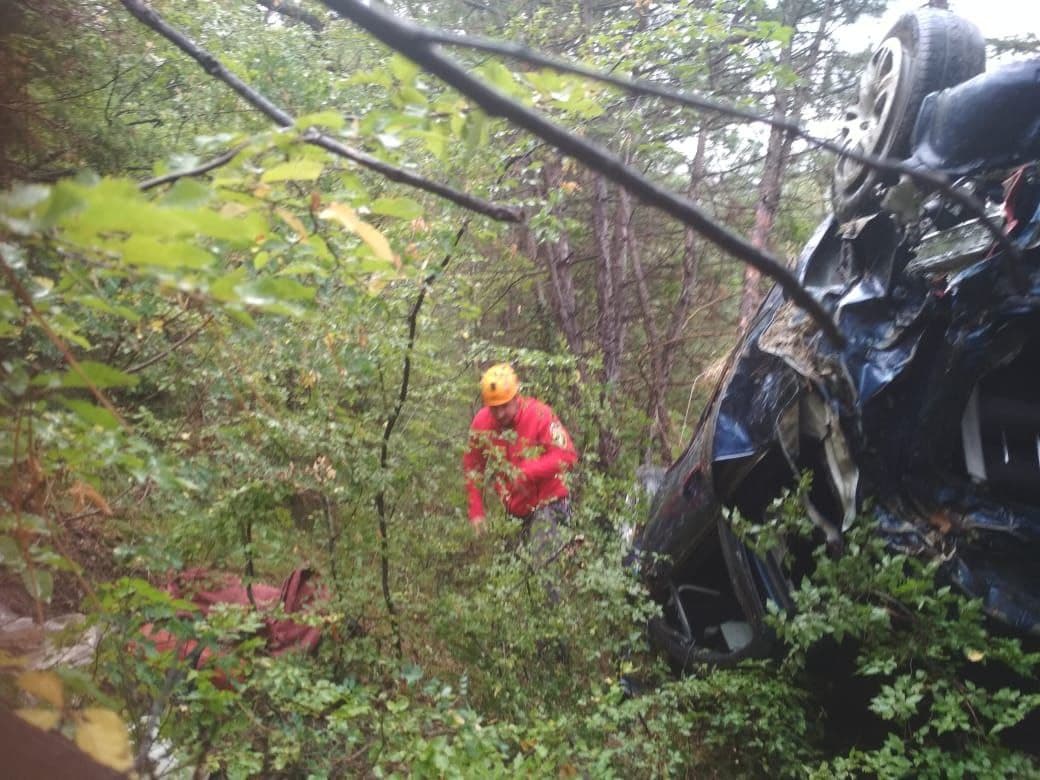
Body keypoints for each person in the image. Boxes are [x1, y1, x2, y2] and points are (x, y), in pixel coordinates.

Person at [462, 363, 578, 561]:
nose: (499, 414)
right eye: (494, 408)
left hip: (550, 504)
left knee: (547, 567)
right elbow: (473, 467)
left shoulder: (540, 415)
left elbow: (567, 456)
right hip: (515, 511)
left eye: (504, 406)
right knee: (513, 571)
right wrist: (476, 509)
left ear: (517, 397)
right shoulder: (481, 424)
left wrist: (526, 471)